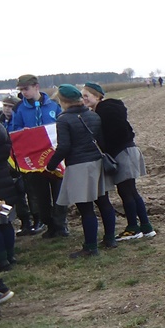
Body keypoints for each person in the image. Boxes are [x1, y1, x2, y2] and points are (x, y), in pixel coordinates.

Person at [43, 85, 118, 258]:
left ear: (63, 101)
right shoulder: (93, 115)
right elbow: (101, 141)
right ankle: (110, 239)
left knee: (86, 209)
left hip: (79, 166)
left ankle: (90, 247)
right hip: (97, 163)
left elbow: (64, 147)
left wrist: (50, 166)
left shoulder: (63, 120)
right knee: (104, 202)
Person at [81, 83, 156, 240]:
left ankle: (133, 228)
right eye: (82, 96)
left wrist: (108, 147)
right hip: (127, 150)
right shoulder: (107, 109)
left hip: (122, 153)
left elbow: (119, 131)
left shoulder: (105, 111)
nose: (84, 99)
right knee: (131, 191)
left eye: (86, 96)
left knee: (126, 191)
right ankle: (146, 227)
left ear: (97, 96)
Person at [9, 74, 68, 238]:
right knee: (40, 197)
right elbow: (14, 131)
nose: (23, 93)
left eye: (26, 89)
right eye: (20, 90)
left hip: (53, 157)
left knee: (59, 194)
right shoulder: (19, 108)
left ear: (36, 87)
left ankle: (61, 225)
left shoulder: (54, 106)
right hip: (33, 162)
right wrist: (23, 132)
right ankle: (48, 224)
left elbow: (61, 126)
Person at [1, 94, 36, 236]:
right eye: (5, 106)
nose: (7, 109)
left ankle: (32, 220)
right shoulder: (0, 122)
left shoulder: (18, 122)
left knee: (26, 194)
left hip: (21, 162)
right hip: (6, 165)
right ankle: (17, 222)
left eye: (10, 106)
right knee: (11, 196)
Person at [0, 123, 18, 270]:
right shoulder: (1, 128)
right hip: (4, 178)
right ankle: (10, 255)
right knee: (6, 221)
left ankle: (1, 260)